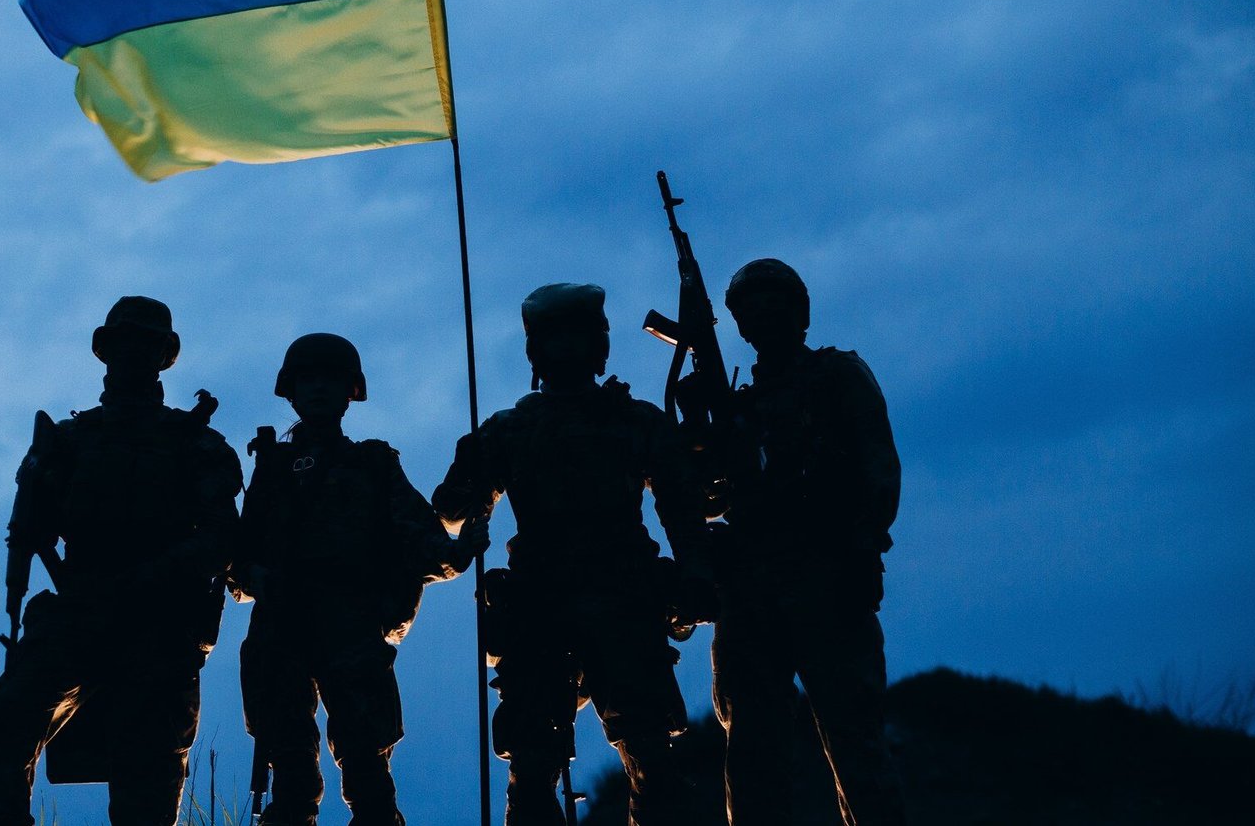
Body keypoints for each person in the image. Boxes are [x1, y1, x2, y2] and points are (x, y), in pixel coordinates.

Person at [433, 283, 712, 826]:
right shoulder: (509, 429)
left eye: (576, 337)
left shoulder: (635, 421)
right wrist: (467, 475)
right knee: (532, 765)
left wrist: (697, 574)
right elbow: (450, 511)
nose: (565, 348)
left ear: (598, 346)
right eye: (553, 338)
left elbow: (682, 509)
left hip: (625, 598)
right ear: (535, 352)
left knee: (651, 757)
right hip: (539, 607)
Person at [0, 296, 242, 826]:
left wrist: (150, 579)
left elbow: (221, 539)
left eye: (146, 344)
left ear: (165, 356)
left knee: (150, 775)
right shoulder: (70, 441)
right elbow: (36, 529)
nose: (133, 353)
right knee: (10, 719)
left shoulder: (196, 444)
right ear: (105, 351)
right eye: (124, 342)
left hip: (161, 622)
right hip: (81, 611)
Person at [233, 333, 486, 826]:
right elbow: (241, 554)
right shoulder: (272, 467)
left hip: (351, 622)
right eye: (308, 380)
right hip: (281, 626)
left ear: (350, 392)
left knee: (369, 773)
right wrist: (253, 574)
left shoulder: (373, 463)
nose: (318, 389)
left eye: (330, 380)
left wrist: (459, 551)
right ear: (291, 392)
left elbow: (419, 536)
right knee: (290, 778)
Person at [705, 259, 907, 826]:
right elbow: (706, 497)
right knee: (753, 755)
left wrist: (863, 547)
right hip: (751, 593)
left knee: (856, 747)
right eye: (751, 308)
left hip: (828, 578)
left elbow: (878, 467)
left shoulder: (837, 376)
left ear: (801, 313)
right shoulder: (737, 407)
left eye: (776, 303)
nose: (763, 316)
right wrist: (702, 430)